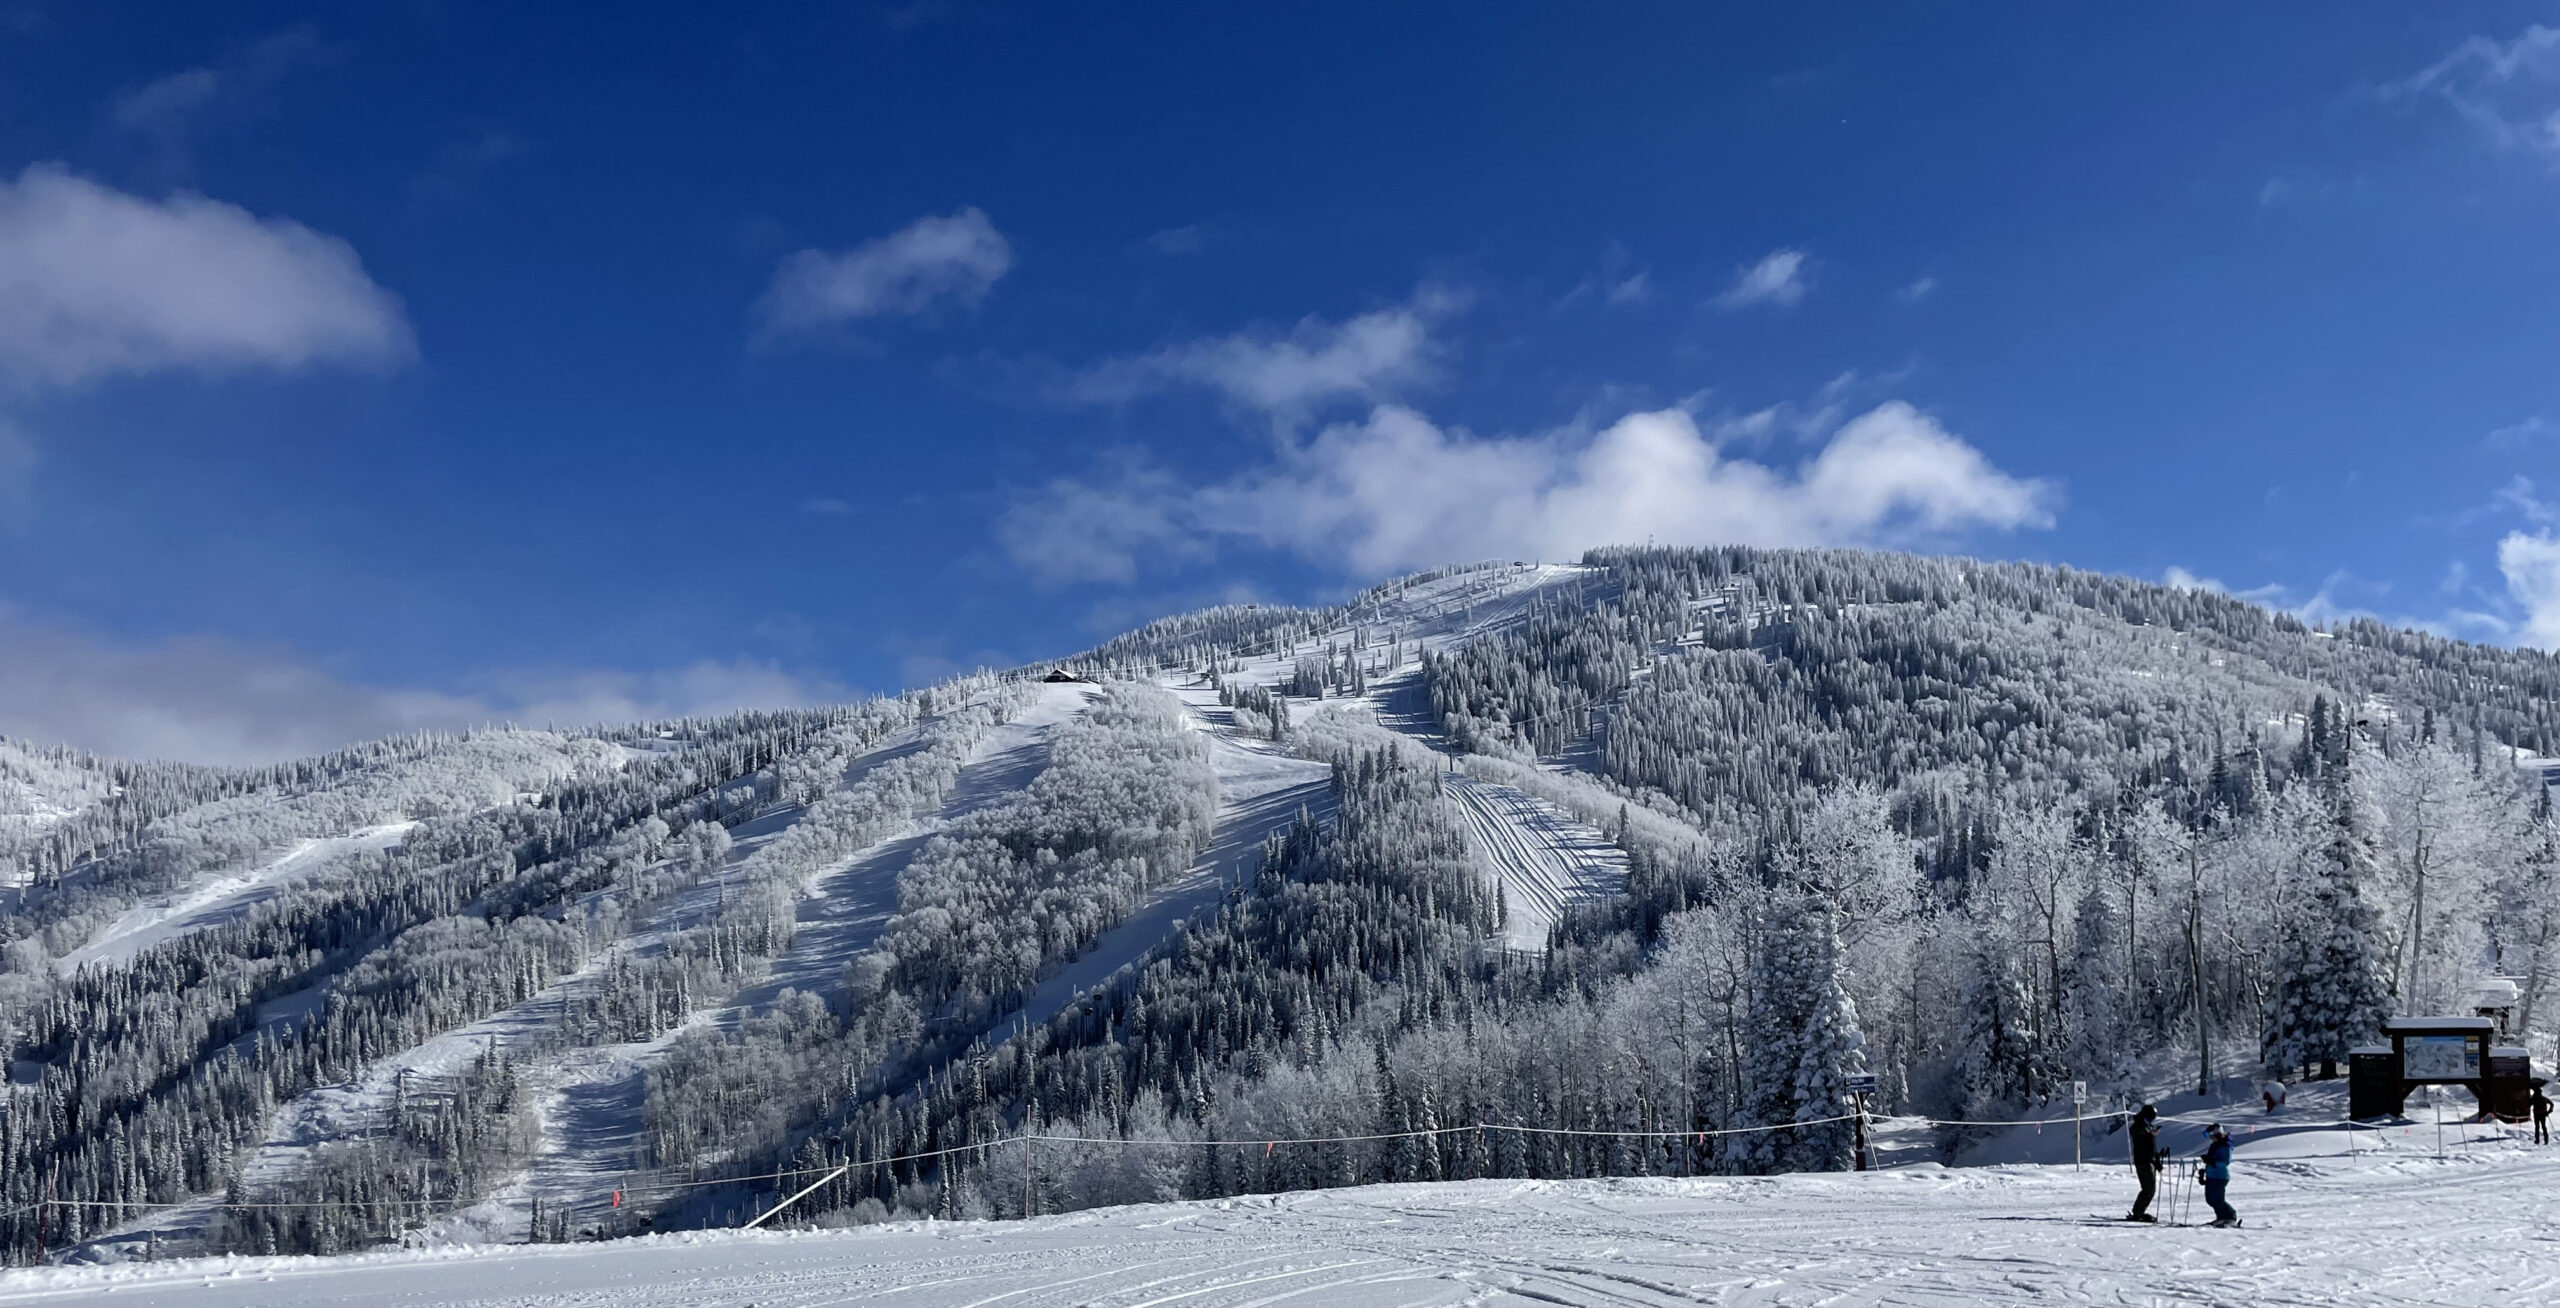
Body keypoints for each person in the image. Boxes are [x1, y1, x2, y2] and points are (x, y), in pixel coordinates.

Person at [2125, 1104, 2165, 1222]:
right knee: (2148, 1189)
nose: (2150, 1121)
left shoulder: (2147, 1127)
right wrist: (2150, 1135)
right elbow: (2142, 1143)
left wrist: (2158, 1162)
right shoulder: (2137, 1127)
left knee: (2149, 1189)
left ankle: (2138, 1212)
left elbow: (2152, 1147)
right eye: (2149, 1118)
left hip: (2149, 1160)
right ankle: (2138, 1213)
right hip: (2143, 1161)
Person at [2199, 1123, 2239, 1228]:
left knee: (2217, 1199)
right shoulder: (2215, 1145)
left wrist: (2211, 1161)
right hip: (2212, 1175)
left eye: (2210, 1135)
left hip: (2219, 1176)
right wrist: (2205, 1170)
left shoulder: (2226, 1145)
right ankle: (2221, 1217)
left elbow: (2226, 1161)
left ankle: (2230, 1216)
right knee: (2210, 1199)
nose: (2210, 1138)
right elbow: (2211, 1160)